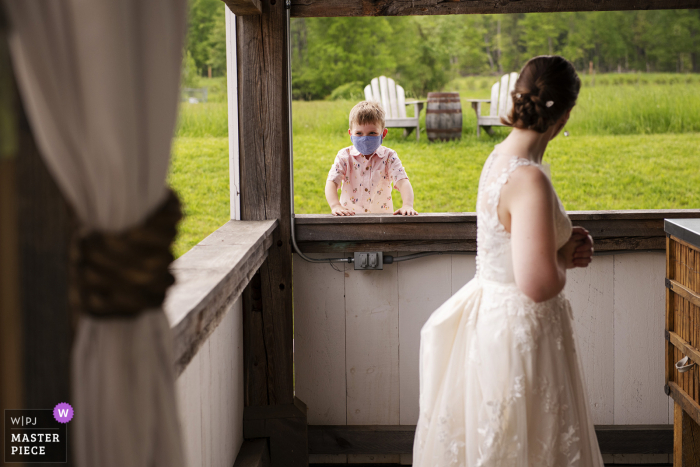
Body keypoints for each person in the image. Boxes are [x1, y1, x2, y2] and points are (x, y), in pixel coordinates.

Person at [412, 55, 603, 466]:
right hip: (521, 332)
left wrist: (557, 249)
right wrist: (563, 260)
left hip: (491, 319)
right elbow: (536, 284)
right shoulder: (529, 177)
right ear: (566, 114)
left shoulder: (500, 156)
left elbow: (512, 245)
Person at [325, 101, 418, 216]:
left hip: (382, 221)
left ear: (383, 134)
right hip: (349, 219)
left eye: (372, 133)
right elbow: (332, 182)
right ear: (351, 134)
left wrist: (407, 205)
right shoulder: (344, 156)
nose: (365, 138)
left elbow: (403, 182)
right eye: (359, 133)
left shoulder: (389, 157)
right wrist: (335, 205)